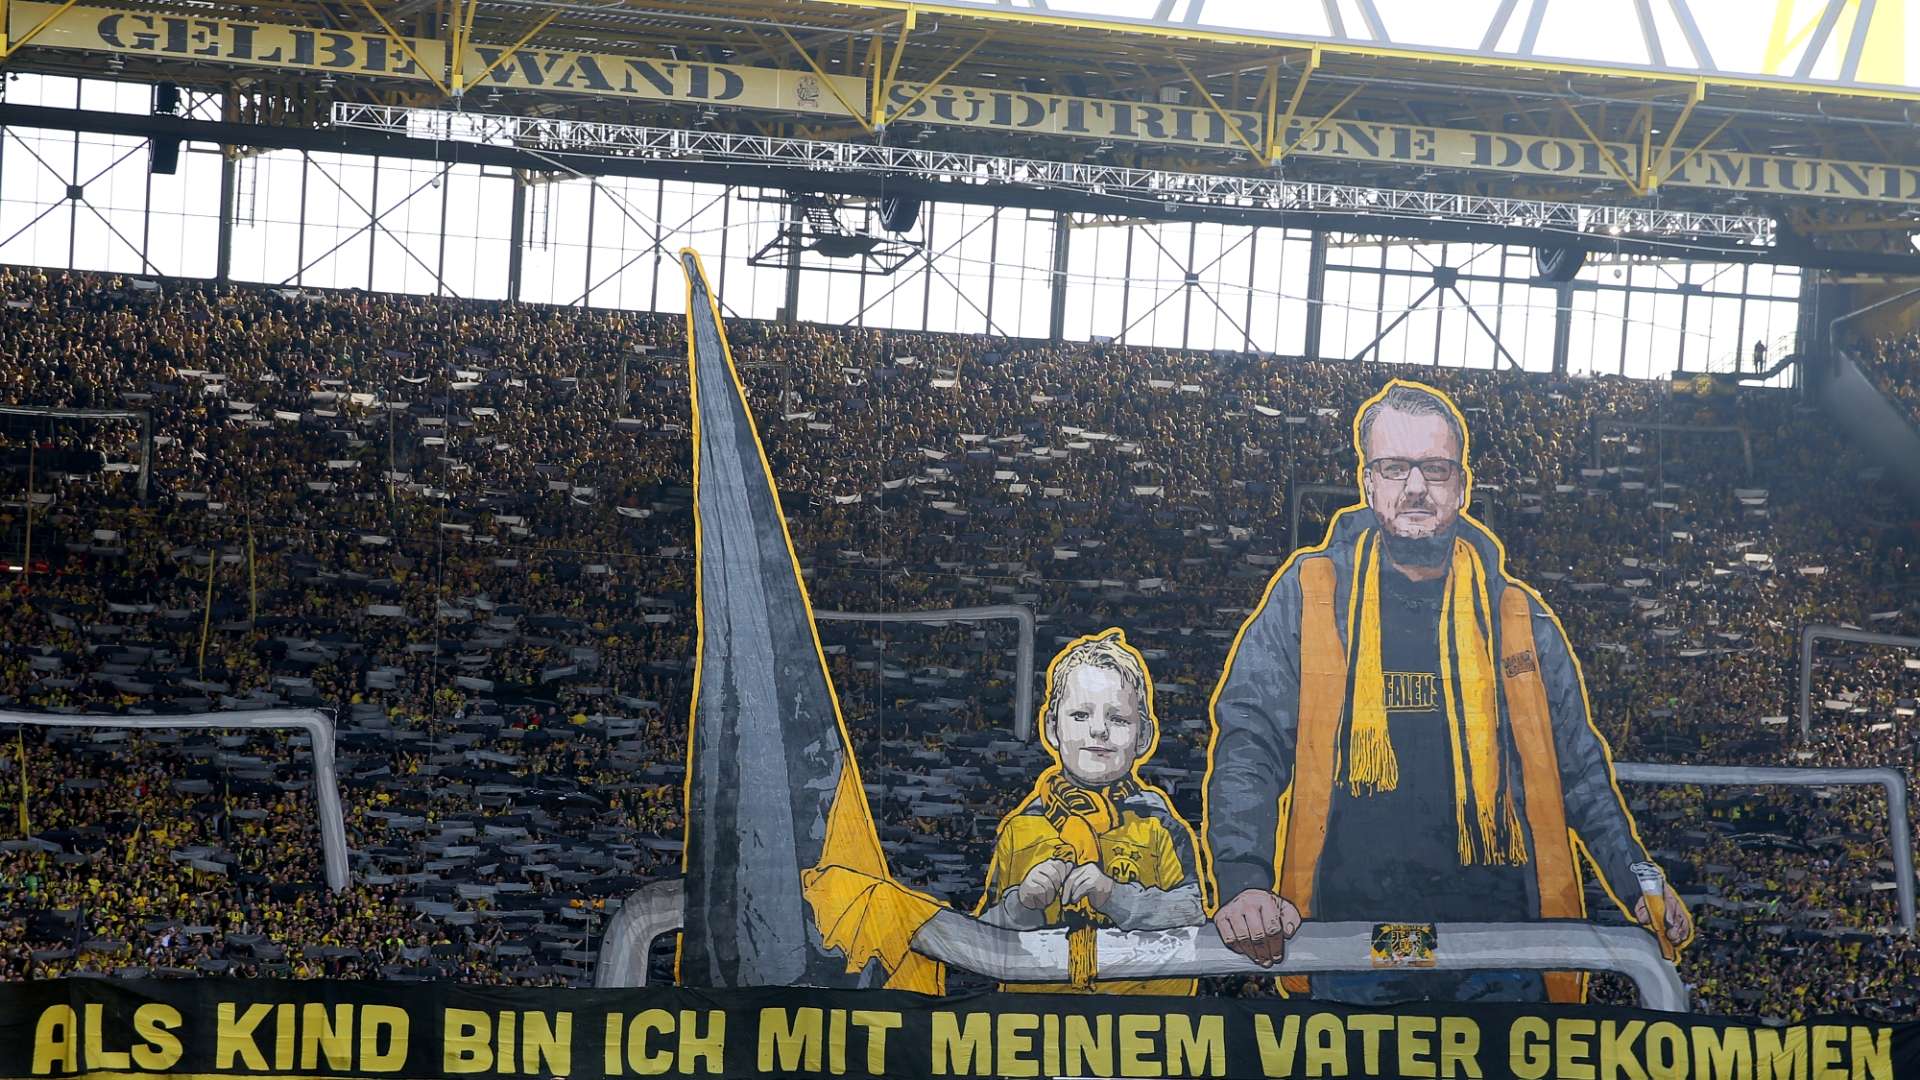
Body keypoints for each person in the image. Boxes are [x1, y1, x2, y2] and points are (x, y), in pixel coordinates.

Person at [1201, 379, 1692, 1005]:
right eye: (1394, 467)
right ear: (1368, 481)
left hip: (1507, 951)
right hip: (1349, 946)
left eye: (1434, 469)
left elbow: (1578, 770)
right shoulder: (1309, 595)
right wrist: (1245, 880)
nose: (1414, 487)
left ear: (1461, 486)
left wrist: (1637, 884)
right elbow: (1250, 743)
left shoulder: (1517, 615)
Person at [977, 629, 1203, 995]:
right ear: (1052, 727)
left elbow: (1192, 913)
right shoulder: (1022, 829)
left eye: (1118, 719)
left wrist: (1114, 896)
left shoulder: (1160, 825)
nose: (1099, 730)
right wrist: (1022, 904)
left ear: (1143, 735)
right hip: (1039, 1030)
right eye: (1080, 715)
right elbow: (983, 939)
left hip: (1146, 1026)